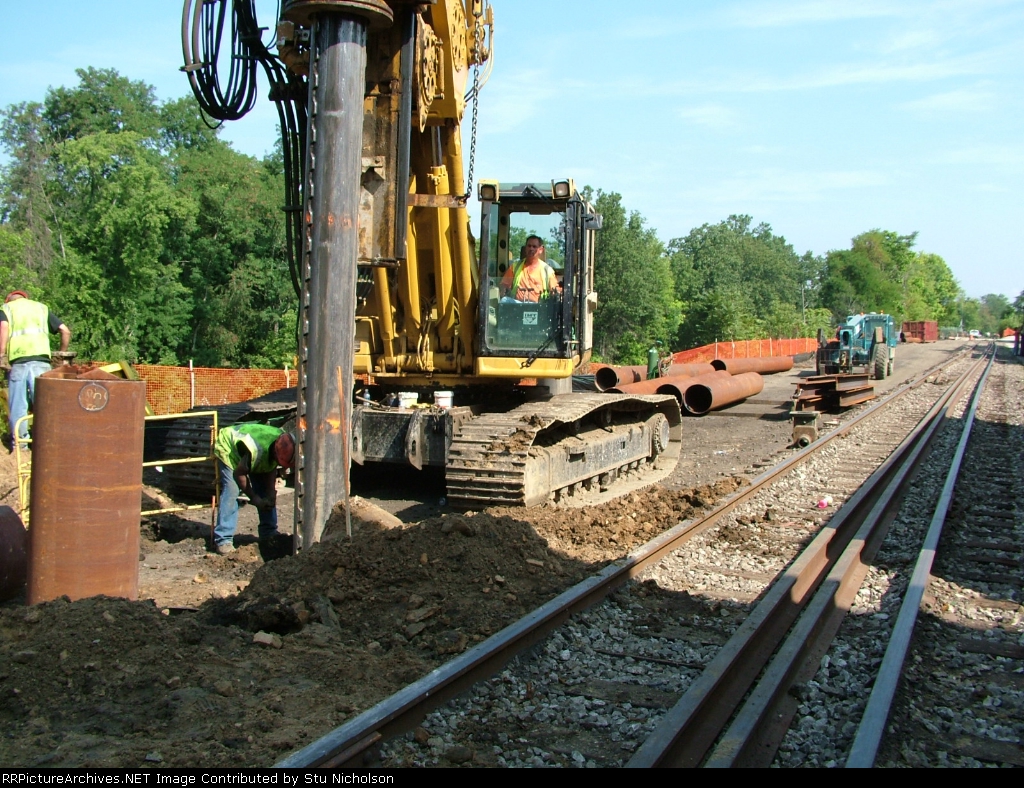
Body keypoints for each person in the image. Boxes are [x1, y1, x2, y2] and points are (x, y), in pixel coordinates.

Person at [0, 290, 71, 450]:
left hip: (18, 362)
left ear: (9, 300)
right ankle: (49, 444)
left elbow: (3, 327)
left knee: (18, 405)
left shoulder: (6, 309)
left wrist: (1, 354)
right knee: (45, 404)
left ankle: (20, 446)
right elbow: (65, 330)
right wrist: (61, 353)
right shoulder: (41, 308)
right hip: (42, 363)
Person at [213, 423, 295, 556]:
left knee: (264, 491)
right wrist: (254, 498)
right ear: (275, 453)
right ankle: (224, 539)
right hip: (229, 447)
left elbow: (271, 466)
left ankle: (268, 533)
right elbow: (239, 474)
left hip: (254, 454)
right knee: (232, 490)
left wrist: (271, 493)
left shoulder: (281, 443)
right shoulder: (256, 450)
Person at [500, 235, 560, 302]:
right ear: (525, 248)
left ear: (541, 250)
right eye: (529, 246)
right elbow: (504, 285)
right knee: (504, 300)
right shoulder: (515, 267)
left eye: (534, 246)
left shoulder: (547, 270)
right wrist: (503, 291)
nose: (531, 249)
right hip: (517, 305)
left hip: (538, 306)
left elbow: (555, 291)